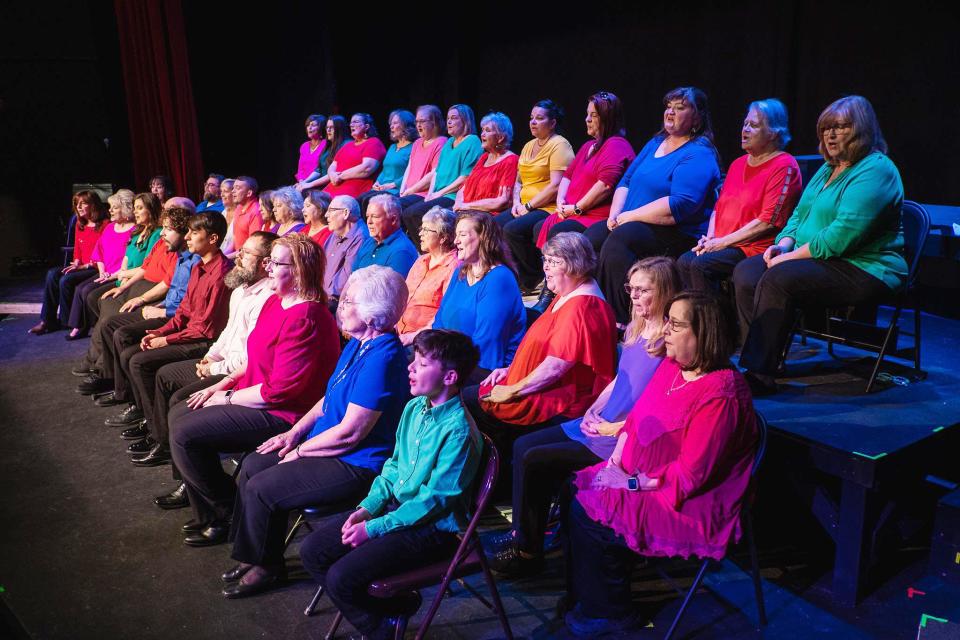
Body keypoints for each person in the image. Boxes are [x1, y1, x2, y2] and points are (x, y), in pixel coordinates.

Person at [560, 291, 757, 636]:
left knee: (588, 515)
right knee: (572, 491)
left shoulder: (722, 393)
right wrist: (615, 465)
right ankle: (587, 594)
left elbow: (691, 475)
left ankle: (613, 611)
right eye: (667, 320)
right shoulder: (672, 366)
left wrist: (630, 483)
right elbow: (635, 421)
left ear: (705, 334)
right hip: (636, 474)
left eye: (676, 324)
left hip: (681, 497)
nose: (665, 330)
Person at [215, 265, 411, 595]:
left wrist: (300, 451)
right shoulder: (357, 343)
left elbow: (351, 433)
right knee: (253, 464)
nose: (342, 306)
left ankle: (268, 567)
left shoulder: (384, 357)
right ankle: (254, 554)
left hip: (356, 463)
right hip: (326, 444)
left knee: (264, 486)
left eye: (350, 301)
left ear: (375, 313)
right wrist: (293, 434)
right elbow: (328, 398)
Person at [492, 256, 680, 576]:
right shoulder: (636, 328)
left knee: (535, 459)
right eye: (630, 288)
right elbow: (622, 379)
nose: (633, 296)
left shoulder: (670, 341)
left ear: (663, 291)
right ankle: (526, 537)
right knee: (523, 445)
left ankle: (527, 551)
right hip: (600, 419)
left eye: (642, 290)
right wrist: (595, 406)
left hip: (624, 435)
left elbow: (665, 405)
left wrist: (617, 426)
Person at [297, 330, 483, 635]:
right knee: (313, 551)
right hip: (397, 512)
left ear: (449, 377)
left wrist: (374, 529)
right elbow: (393, 467)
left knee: (341, 578)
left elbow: (434, 501)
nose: (410, 367)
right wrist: (368, 509)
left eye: (422, 364)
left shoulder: (458, 431)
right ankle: (392, 613)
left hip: (432, 529)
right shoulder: (414, 408)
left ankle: (381, 629)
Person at [166, 235, 341, 544]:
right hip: (255, 395)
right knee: (180, 411)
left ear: (299, 270)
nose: (268, 268)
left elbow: (280, 392)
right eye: (268, 261)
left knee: (185, 433)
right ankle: (212, 513)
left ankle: (228, 513)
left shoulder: (308, 317)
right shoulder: (276, 301)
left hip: (286, 414)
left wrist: (227, 396)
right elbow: (256, 357)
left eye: (276, 262)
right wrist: (221, 383)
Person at [733, 95, 907, 395]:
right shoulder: (828, 170)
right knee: (748, 271)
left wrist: (787, 261)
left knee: (779, 278)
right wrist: (783, 246)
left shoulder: (876, 169)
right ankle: (764, 357)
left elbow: (840, 236)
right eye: (826, 128)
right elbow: (799, 215)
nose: (830, 134)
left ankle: (760, 373)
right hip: (822, 260)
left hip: (864, 266)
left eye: (840, 127)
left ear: (862, 130)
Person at [462, 232, 617, 487]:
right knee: (465, 385)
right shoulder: (569, 292)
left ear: (572, 264)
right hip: (538, 385)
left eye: (553, 261)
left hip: (561, 399)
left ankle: (493, 485)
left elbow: (557, 366)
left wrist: (513, 389)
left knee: (469, 399)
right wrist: (510, 369)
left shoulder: (582, 306)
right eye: (545, 260)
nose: (545, 267)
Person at [133, 231, 277, 468]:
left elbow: (251, 356)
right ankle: (164, 444)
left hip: (238, 374)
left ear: (265, 263)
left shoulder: (267, 297)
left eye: (246, 253)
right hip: (219, 361)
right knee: (163, 376)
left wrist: (214, 367)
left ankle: (186, 470)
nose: (238, 257)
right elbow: (227, 332)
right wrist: (210, 356)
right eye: (240, 250)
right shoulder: (241, 289)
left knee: (182, 401)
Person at [100, 211, 232, 452]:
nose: (188, 237)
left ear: (212, 239)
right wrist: (161, 332)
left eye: (194, 233)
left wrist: (167, 339)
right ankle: (151, 422)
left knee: (140, 362)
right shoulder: (198, 267)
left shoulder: (221, 273)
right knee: (131, 353)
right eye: (188, 232)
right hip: (191, 334)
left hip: (206, 343)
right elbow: (183, 310)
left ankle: (161, 438)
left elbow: (206, 329)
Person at [597, 87, 722, 324]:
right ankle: (594, 311)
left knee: (620, 241)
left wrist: (631, 215)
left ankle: (623, 321)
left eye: (680, 107)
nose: (670, 113)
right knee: (592, 237)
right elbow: (626, 179)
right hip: (633, 221)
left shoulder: (699, 152)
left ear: (697, 117)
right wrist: (615, 213)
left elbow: (680, 205)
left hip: (678, 232)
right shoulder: (656, 142)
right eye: (668, 106)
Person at [677, 99, 802, 292]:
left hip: (752, 248)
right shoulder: (737, 164)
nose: (745, 130)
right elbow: (718, 209)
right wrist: (710, 239)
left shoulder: (784, 165)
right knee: (685, 261)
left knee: (701, 265)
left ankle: (713, 321)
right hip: (723, 243)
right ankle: (696, 319)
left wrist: (722, 242)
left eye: (754, 125)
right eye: (745, 124)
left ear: (774, 133)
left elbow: (767, 221)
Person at [76, 206, 196, 395]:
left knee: (116, 329)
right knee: (102, 303)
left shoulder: (192, 261)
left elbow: (183, 301)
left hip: (165, 307)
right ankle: (106, 373)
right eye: (163, 228)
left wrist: (157, 308)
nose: (163, 233)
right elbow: (152, 273)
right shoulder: (179, 255)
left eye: (168, 229)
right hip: (159, 301)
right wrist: (124, 285)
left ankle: (112, 381)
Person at [432, 211, 525, 376]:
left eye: (463, 235)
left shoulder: (499, 278)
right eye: (456, 235)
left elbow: (487, 344)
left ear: (483, 238)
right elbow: (440, 321)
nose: (456, 241)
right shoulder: (460, 272)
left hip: (481, 369)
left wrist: (442, 368)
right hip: (450, 361)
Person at [503, 99, 576, 292]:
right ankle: (510, 275)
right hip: (524, 205)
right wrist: (516, 202)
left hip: (547, 207)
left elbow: (556, 185)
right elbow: (519, 180)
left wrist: (527, 206)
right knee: (493, 225)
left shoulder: (560, 145)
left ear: (552, 123)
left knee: (512, 230)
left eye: (539, 118)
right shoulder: (528, 146)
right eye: (531, 118)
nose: (533, 122)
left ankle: (532, 276)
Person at [81, 192, 164, 333]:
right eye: (134, 208)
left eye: (139, 208)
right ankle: (104, 329)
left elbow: (146, 266)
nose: (135, 212)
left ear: (150, 210)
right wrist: (121, 275)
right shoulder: (137, 231)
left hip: (139, 281)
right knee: (91, 297)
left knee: (102, 299)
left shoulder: (157, 233)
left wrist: (123, 277)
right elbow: (126, 258)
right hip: (124, 278)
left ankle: (108, 329)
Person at [400, 104, 483, 243]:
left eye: (454, 118)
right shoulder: (449, 142)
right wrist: (431, 194)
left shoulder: (472, 141)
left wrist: (440, 193)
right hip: (439, 194)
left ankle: (426, 251)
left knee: (413, 213)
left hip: (452, 196)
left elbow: (465, 178)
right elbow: (437, 173)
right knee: (405, 210)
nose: (449, 122)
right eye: (448, 118)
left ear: (465, 120)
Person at [31, 190, 106, 335]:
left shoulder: (104, 224)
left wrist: (87, 265)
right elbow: (78, 247)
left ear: (93, 205)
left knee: (66, 280)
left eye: (83, 203)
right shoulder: (80, 224)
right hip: (82, 265)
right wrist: (77, 262)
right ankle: (47, 320)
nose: (78, 207)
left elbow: (105, 253)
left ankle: (66, 321)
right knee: (52, 274)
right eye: (76, 204)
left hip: (96, 267)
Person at [66, 189, 137, 339]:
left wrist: (112, 275)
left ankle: (93, 326)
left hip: (118, 275)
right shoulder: (110, 227)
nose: (110, 210)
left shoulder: (134, 230)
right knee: (80, 288)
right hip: (104, 271)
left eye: (114, 207)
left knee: (88, 291)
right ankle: (79, 326)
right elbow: (99, 254)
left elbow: (131, 261)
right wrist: (103, 271)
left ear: (125, 209)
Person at [397, 207, 458, 346]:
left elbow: (444, 316)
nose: (420, 234)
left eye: (426, 230)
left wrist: (413, 337)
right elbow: (403, 298)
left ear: (443, 237)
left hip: (425, 340)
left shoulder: (454, 267)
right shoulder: (421, 261)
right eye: (421, 229)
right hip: (399, 332)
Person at [452, 112, 518, 221]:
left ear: (500, 137)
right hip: (466, 209)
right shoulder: (484, 157)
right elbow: (464, 187)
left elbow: (502, 201)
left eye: (487, 130)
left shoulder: (511, 160)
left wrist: (466, 206)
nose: (482, 134)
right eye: (482, 130)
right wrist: (459, 203)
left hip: (486, 213)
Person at [357, 110, 416, 214]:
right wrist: (377, 182)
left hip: (395, 190)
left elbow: (412, 173)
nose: (391, 127)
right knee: (359, 200)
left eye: (395, 123)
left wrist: (392, 185)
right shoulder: (392, 147)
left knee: (367, 201)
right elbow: (385, 170)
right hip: (381, 187)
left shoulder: (413, 147)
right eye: (391, 124)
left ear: (406, 125)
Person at [396, 105, 447, 213]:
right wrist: (402, 190)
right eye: (417, 121)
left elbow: (434, 174)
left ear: (434, 122)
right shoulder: (417, 142)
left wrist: (411, 190)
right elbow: (409, 168)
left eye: (422, 121)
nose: (418, 125)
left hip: (422, 193)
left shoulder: (441, 142)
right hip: (408, 192)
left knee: (395, 208)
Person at [323, 113, 387, 199]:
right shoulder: (348, 145)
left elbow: (366, 168)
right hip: (333, 187)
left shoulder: (374, 143)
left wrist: (339, 176)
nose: (351, 125)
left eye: (355, 122)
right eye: (350, 123)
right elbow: (333, 165)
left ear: (366, 126)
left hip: (354, 190)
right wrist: (332, 174)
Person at [352, 194, 418, 277]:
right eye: (367, 216)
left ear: (393, 220)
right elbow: (351, 279)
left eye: (375, 217)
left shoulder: (401, 251)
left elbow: (392, 289)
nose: (369, 221)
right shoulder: (368, 242)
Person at [322, 195, 366, 305]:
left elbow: (346, 278)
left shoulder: (361, 237)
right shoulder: (334, 235)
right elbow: (320, 264)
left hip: (336, 301)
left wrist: (320, 296)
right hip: (322, 295)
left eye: (330, 210)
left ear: (345, 213)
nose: (326, 215)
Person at [298, 115, 349, 192]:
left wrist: (309, 184)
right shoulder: (329, 146)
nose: (328, 130)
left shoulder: (345, 145)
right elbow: (319, 169)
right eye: (327, 127)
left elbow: (335, 172)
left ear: (339, 128)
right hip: (320, 184)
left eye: (331, 127)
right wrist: (304, 182)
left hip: (333, 185)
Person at [230, 176, 262, 254]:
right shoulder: (238, 208)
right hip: (236, 256)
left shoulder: (256, 212)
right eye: (233, 188)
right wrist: (224, 255)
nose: (233, 191)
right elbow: (235, 239)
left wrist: (228, 257)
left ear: (249, 193)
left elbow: (252, 246)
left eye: (237, 188)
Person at [295, 114, 327, 182]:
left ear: (321, 127)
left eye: (313, 125)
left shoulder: (325, 144)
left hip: (318, 183)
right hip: (303, 183)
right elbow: (300, 170)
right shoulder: (304, 146)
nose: (309, 127)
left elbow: (323, 169)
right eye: (308, 125)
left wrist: (307, 184)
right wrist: (301, 182)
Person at [219, 179, 238, 257]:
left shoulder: (240, 213)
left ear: (234, 193)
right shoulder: (223, 213)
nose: (222, 195)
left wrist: (223, 257)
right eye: (221, 191)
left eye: (225, 191)